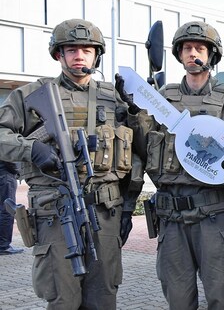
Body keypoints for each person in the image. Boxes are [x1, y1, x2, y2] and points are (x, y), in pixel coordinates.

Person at [0, 18, 136, 309]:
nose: (79, 56)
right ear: (58, 54)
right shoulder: (30, 96)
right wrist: (32, 148)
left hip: (104, 212)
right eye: (71, 49)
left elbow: (141, 149)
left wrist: (138, 112)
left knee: (103, 296)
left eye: (86, 50)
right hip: (54, 211)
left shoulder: (114, 97)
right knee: (63, 297)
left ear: (96, 55)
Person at [120, 21, 224, 310]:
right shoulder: (163, 98)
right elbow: (143, 145)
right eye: (187, 48)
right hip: (171, 216)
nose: (193, 53)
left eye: (200, 48)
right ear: (179, 55)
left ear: (212, 55)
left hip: (213, 214)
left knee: (220, 294)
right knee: (178, 297)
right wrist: (134, 112)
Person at [0, 161, 23, 255]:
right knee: (7, 209)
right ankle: (3, 245)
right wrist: (18, 170)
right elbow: (10, 159)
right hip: (5, 175)